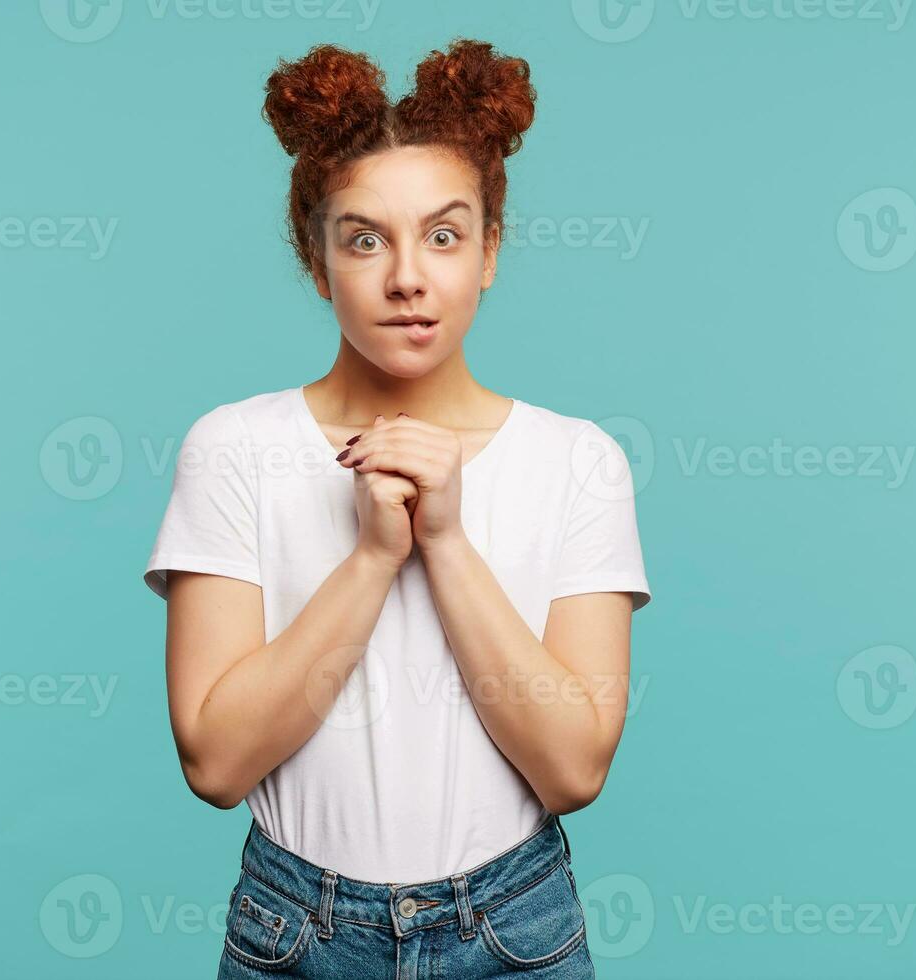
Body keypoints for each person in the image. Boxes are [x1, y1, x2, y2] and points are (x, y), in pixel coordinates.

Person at [143, 38, 651, 978]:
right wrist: (373, 558)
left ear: (490, 250)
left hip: (512, 931)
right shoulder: (235, 449)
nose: (407, 277)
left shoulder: (579, 462)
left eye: (445, 235)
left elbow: (574, 770)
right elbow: (215, 764)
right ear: (316, 255)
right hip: (297, 931)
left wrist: (446, 540)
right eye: (365, 238)